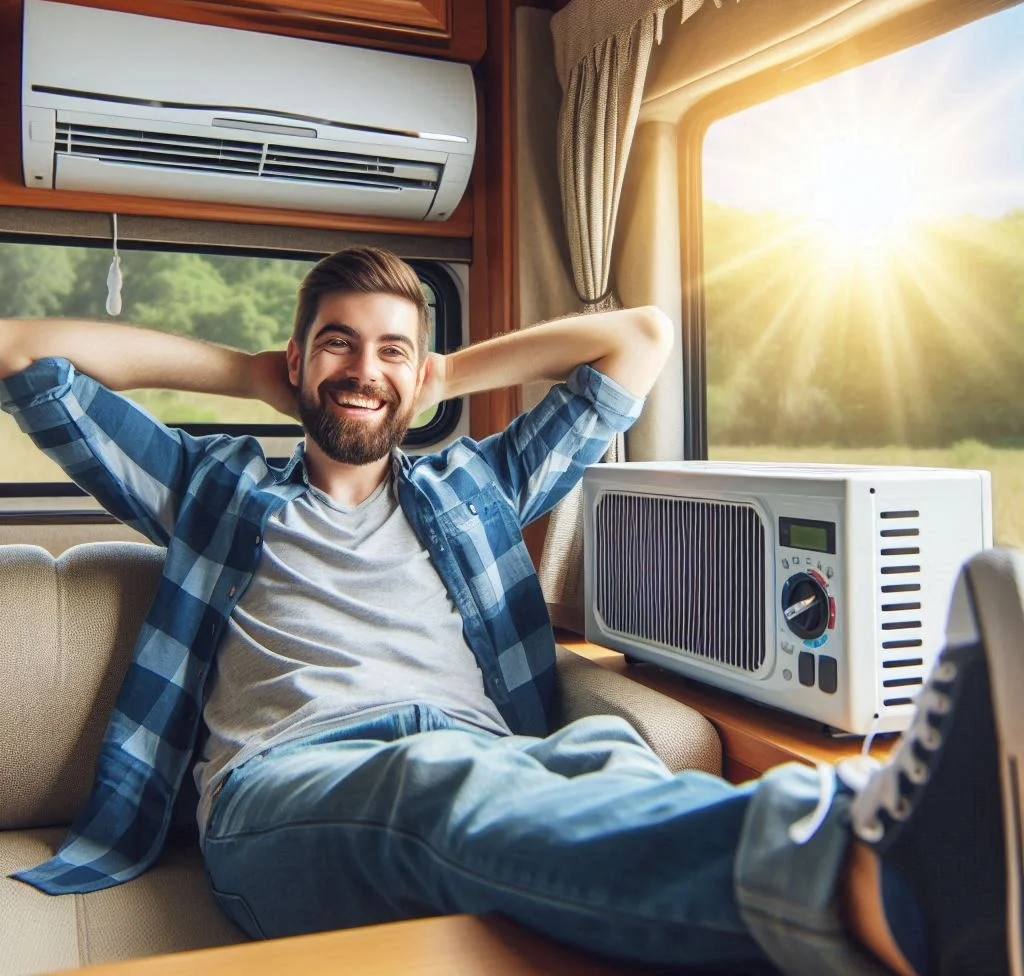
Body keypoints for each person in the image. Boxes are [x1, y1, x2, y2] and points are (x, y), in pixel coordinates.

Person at [0, 246, 1018, 976]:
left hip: (499, 759)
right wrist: (243, 374)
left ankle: (919, 905)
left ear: (422, 375)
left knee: (609, 758)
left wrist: (443, 371)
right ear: (298, 361)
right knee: (430, 781)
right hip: (286, 793)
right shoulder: (208, 489)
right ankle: (864, 863)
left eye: (393, 351)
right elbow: (21, 353)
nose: (364, 369)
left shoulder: (472, 487)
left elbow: (640, 339)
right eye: (338, 345)